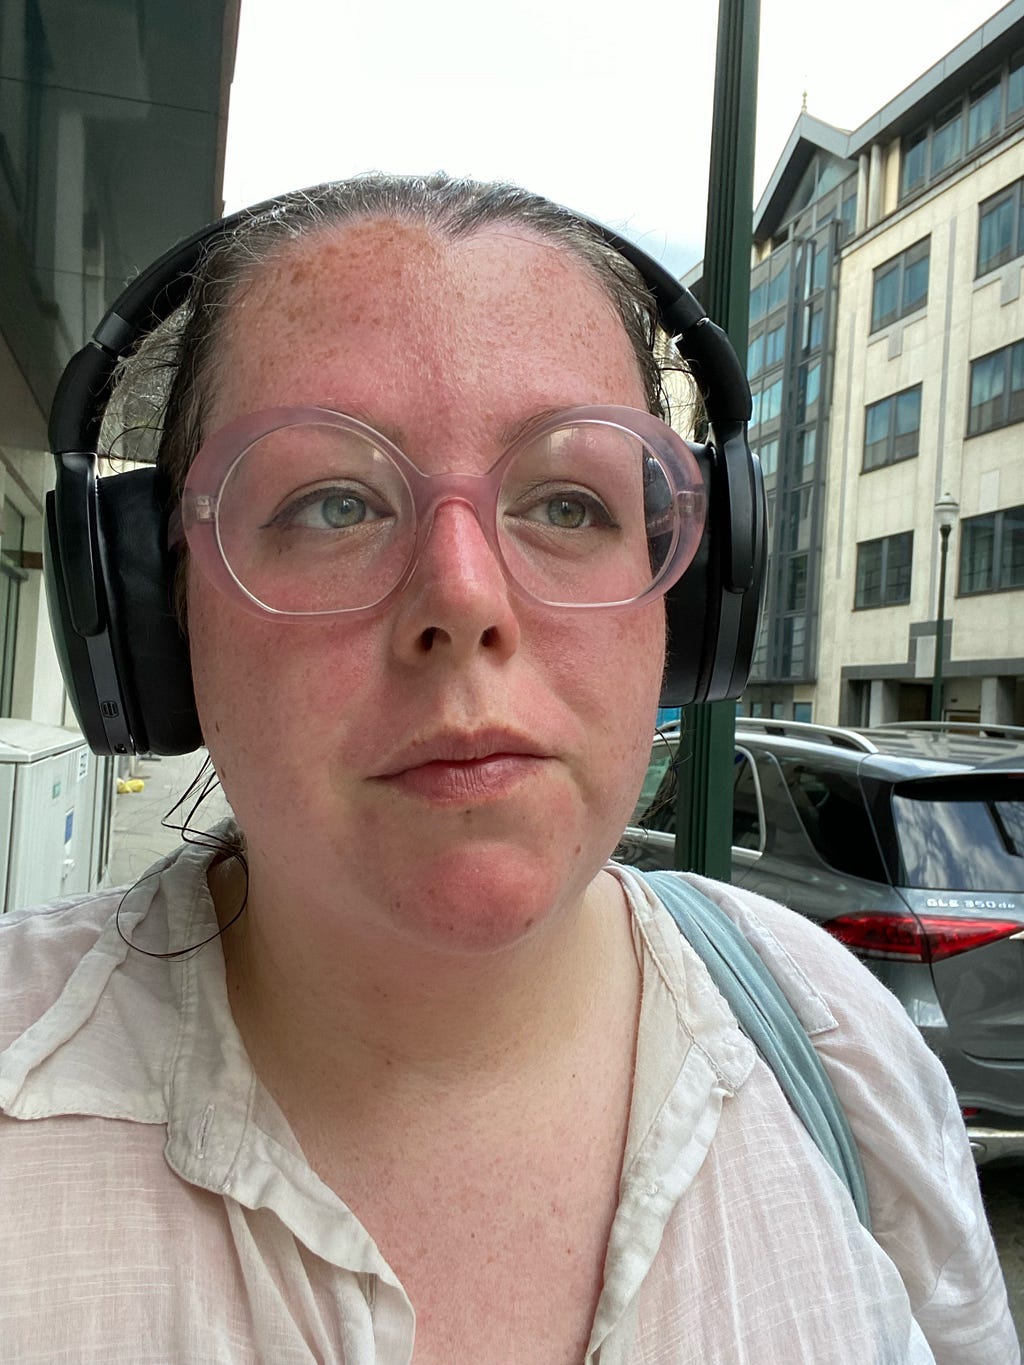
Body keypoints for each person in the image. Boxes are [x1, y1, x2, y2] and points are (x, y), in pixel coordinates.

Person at [0, 174, 1017, 1365]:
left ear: (686, 607)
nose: (465, 601)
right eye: (333, 503)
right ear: (155, 616)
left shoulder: (835, 1047)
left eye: (567, 503)